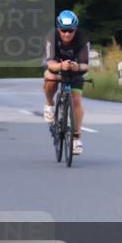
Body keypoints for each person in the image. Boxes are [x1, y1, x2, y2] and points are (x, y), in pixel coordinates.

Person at [43, 10, 90, 156]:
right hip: (56, 66)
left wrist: (77, 67)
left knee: (76, 100)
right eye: (63, 30)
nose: (67, 34)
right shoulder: (52, 36)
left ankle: (76, 138)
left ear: (75, 29)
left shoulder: (82, 37)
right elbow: (50, 64)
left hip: (75, 69)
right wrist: (60, 67)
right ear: (58, 28)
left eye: (70, 31)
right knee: (50, 78)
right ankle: (50, 104)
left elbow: (85, 65)